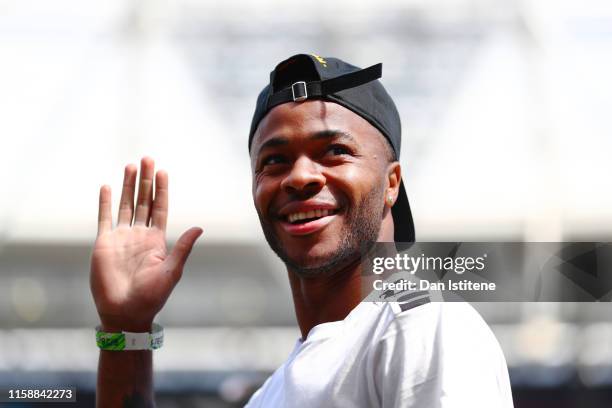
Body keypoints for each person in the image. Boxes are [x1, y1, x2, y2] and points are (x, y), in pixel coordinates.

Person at [91, 54, 514, 407]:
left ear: (391, 183)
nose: (300, 177)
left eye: (334, 151)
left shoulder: (423, 324)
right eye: (274, 160)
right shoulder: (268, 397)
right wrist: (126, 328)